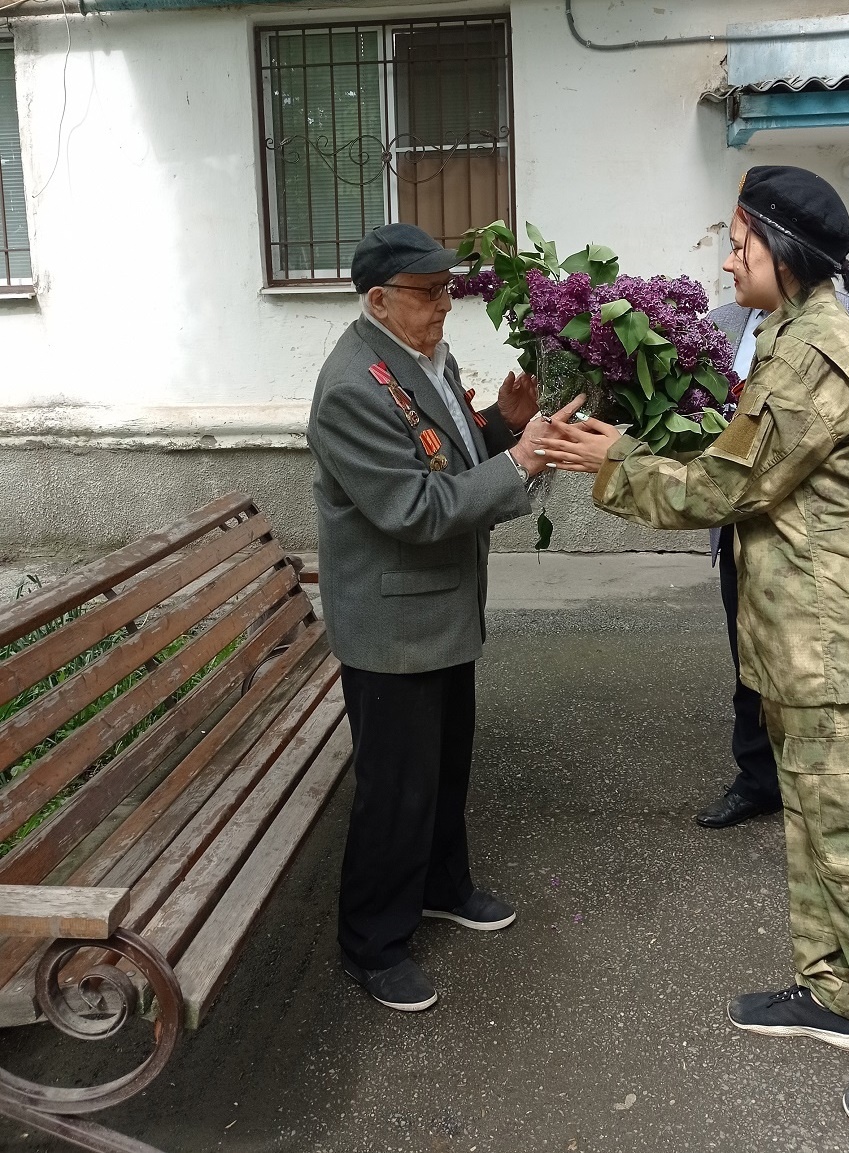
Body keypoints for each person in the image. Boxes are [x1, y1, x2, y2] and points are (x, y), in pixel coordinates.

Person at [536, 168, 849, 1145]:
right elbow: (745, 459)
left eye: (739, 241)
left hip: (843, 652)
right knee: (818, 835)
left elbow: (727, 486)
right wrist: (637, 442)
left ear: (784, 253)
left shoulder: (820, 352)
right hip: (807, 646)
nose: (726, 257)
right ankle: (836, 996)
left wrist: (609, 462)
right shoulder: (796, 339)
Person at [307, 223, 549, 1013]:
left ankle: (444, 885)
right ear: (379, 300)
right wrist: (518, 461)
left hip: (438, 611)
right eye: (429, 293)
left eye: (450, 288)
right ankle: (373, 941)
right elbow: (414, 506)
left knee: (444, 766)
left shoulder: (416, 359)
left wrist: (500, 427)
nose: (446, 305)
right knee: (395, 789)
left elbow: (442, 457)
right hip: (392, 626)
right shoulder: (352, 386)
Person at [697, 292, 849, 829]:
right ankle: (758, 780)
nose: (732, 261)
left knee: (820, 666)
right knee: (749, 655)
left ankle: (827, 789)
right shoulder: (725, 323)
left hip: (814, 541)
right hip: (741, 528)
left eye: (741, 242)